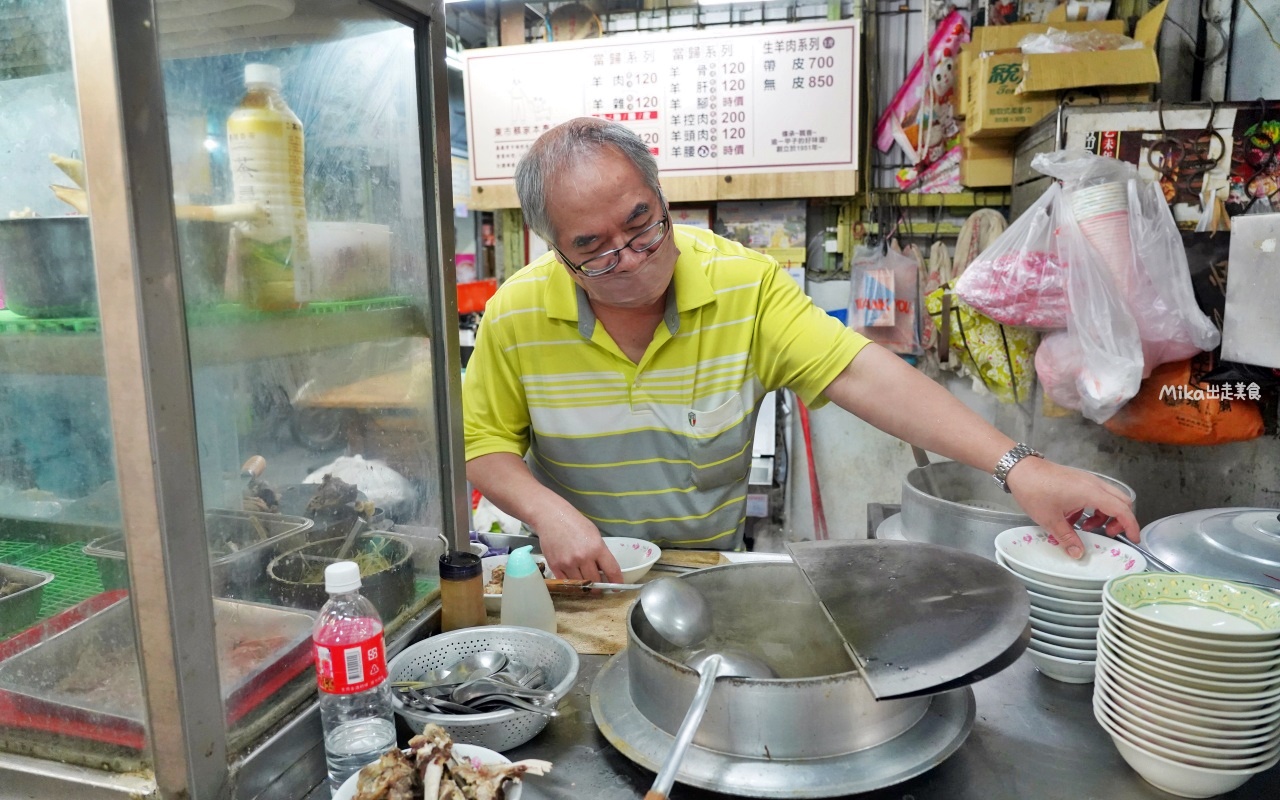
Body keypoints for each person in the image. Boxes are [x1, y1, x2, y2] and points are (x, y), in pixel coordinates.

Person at [462, 117, 1138, 584]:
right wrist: (549, 513)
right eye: (595, 249)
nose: (633, 259)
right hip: (579, 572)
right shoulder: (515, 313)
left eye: (642, 225)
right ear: (556, 249)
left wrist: (1019, 466)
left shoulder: (744, 285)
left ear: (661, 197)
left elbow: (863, 372)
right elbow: (484, 443)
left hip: (704, 572)